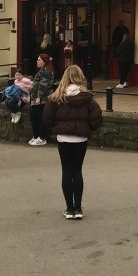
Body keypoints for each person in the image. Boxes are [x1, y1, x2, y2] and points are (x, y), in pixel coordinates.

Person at [42, 65, 103, 220]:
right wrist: (87, 127)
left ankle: (69, 209)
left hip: (63, 138)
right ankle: (78, 208)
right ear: (80, 77)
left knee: (66, 171)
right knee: (77, 171)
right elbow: (96, 120)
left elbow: (47, 119)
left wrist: (56, 127)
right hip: (81, 139)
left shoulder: (56, 98)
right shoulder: (88, 99)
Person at [27, 53, 55, 146]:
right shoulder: (42, 71)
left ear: (44, 62)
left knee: (40, 118)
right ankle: (36, 136)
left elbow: (43, 85)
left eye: (39, 60)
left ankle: (41, 137)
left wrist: (38, 97)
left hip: (42, 99)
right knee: (33, 117)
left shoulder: (46, 71)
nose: (37, 61)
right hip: (35, 98)